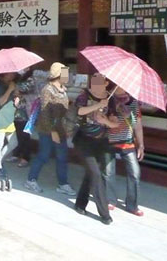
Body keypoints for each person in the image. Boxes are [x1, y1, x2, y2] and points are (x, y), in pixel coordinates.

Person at [25, 62, 76, 196]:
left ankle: (63, 183)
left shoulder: (63, 89)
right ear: (58, 75)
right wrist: (53, 132)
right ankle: (31, 180)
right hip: (47, 129)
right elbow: (45, 113)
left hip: (61, 128)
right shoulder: (47, 90)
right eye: (65, 73)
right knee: (44, 155)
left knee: (62, 157)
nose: (67, 76)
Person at [73, 73, 116, 225]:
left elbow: (115, 122)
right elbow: (79, 111)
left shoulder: (111, 99)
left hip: (101, 142)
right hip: (84, 140)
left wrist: (105, 121)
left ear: (106, 83)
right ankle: (104, 213)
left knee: (91, 174)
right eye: (94, 80)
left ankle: (80, 204)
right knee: (96, 174)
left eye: (99, 81)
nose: (96, 83)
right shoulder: (84, 95)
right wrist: (98, 105)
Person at [104, 85, 145, 217]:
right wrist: (109, 111)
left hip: (127, 141)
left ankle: (132, 205)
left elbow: (137, 125)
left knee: (134, 173)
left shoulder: (133, 102)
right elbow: (99, 119)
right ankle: (110, 199)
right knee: (108, 172)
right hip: (109, 140)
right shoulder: (107, 99)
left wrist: (141, 145)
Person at [0, 72, 20, 180]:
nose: (13, 75)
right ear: (4, 74)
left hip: (8, 118)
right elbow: (0, 102)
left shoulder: (9, 83)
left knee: (14, 143)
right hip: (0, 119)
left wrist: (16, 96)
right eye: (11, 73)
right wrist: (10, 90)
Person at [8, 71, 35, 167]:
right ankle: (16, 153)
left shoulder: (30, 79)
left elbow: (25, 88)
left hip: (25, 112)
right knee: (17, 135)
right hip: (16, 111)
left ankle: (25, 157)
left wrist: (15, 88)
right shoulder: (17, 78)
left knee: (25, 135)